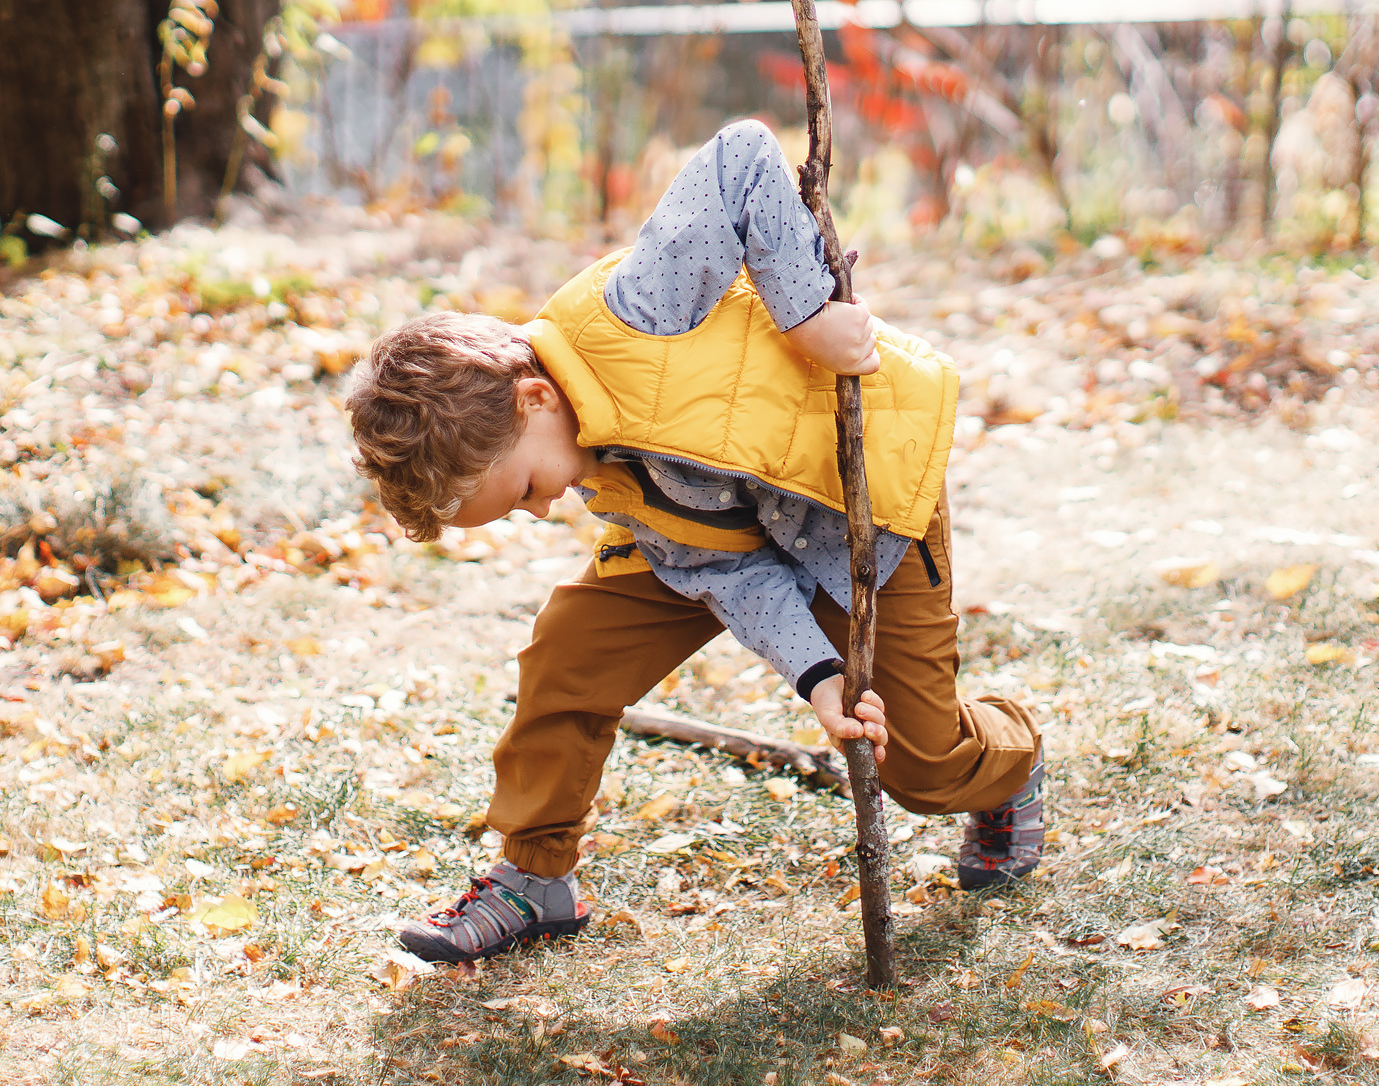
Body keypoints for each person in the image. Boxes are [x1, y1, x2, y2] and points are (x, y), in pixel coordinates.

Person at [344, 120, 1044, 964]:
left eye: (524, 490)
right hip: (706, 522)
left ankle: (1012, 757)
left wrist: (810, 315)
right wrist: (819, 676)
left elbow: (744, 153)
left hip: (860, 505)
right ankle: (534, 877)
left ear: (533, 397)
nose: (538, 511)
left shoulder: (635, 309)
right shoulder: (602, 473)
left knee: (923, 764)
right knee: (571, 650)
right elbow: (727, 571)